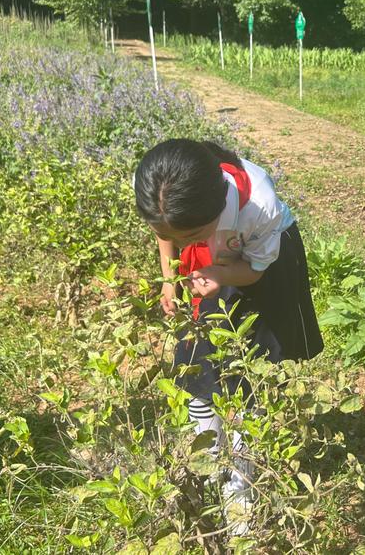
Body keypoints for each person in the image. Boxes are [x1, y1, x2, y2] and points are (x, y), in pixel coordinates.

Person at [133, 138, 323, 527]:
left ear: (217, 209)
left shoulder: (260, 206)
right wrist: (171, 279)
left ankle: (241, 478)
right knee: (196, 364)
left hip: (261, 266)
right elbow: (165, 230)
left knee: (254, 365)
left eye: (194, 233)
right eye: (181, 237)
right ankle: (209, 459)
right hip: (213, 266)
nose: (183, 244)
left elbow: (254, 269)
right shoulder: (159, 188)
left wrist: (219, 274)